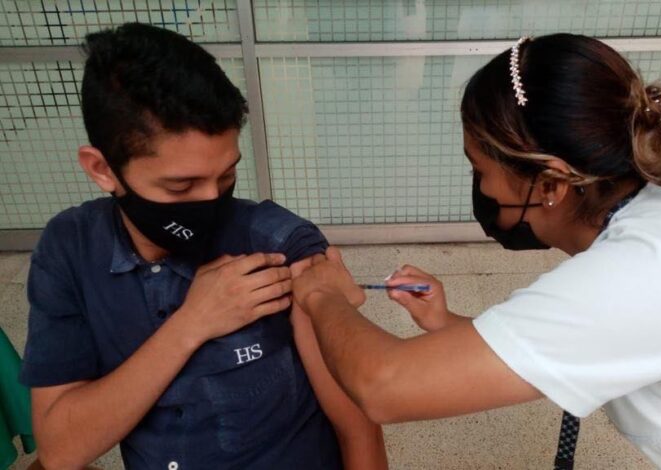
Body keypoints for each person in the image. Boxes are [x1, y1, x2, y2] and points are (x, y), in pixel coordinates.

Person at [292, 33, 661, 468]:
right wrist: (443, 323)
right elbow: (548, 352)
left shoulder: (641, 275)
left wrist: (322, 296)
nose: (479, 186)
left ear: (549, 184)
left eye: (479, 169)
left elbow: (385, 387)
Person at [18, 23, 386, 469]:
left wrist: (334, 309)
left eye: (227, 174)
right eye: (180, 186)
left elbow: (358, 423)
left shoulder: (277, 243)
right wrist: (191, 325)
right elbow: (60, 451)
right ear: (103, 170)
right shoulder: (70, 249)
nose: (212, 201)